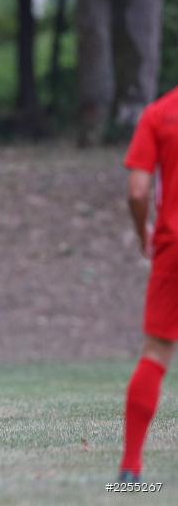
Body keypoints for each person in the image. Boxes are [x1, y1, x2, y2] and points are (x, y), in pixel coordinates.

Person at [119, 88, 178, 482]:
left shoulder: (160, 114)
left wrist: (144, 235)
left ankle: (130, 470)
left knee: (156, 352)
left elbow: (138, 190)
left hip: (172, 246)